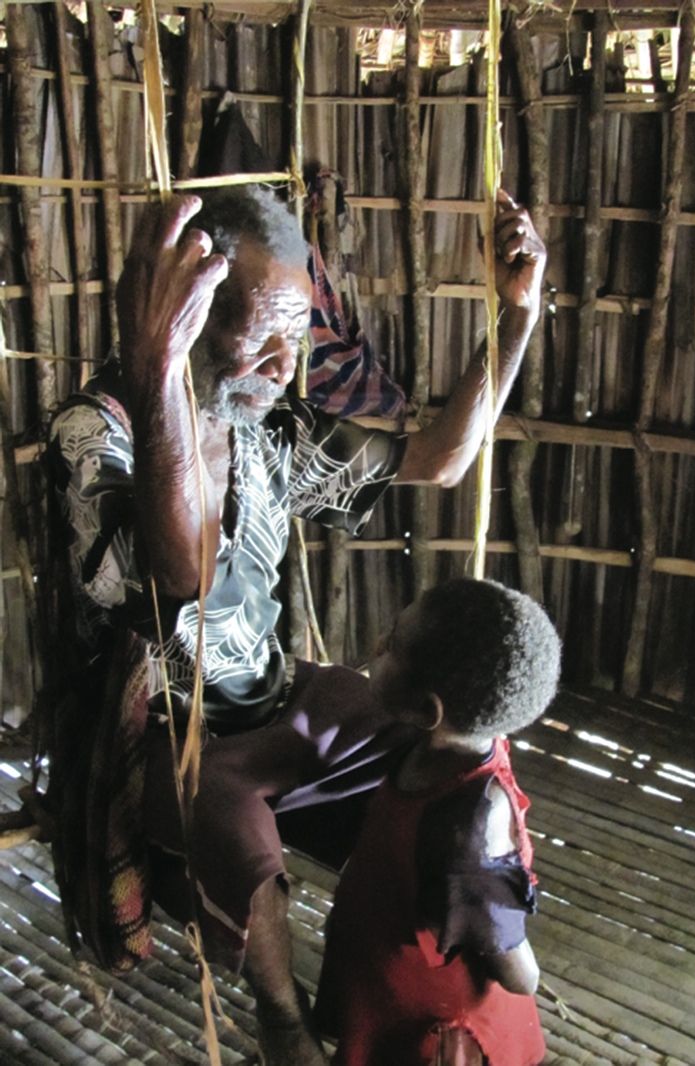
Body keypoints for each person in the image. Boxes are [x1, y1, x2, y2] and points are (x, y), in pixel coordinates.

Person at [46, 184, 546, 1065]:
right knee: (239, 839)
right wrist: (157, 365)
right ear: (188, 314)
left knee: (442, 755)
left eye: (298, 331)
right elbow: (178, 575)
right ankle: (283, 1023)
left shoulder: (265, 423)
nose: (286, 364)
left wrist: (517, 317)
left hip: (279, 697)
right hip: (175, 730)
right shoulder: (98, 431)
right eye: (260, 334)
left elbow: (441, 458)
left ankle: (436, 961)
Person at [314, 577, 561, 1066]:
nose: (377, 646)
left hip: (434, 1022)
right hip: (392, 982)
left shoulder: (468, 830)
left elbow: (519, 976)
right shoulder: (437, 746)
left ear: (429, 709)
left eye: (392, 644)